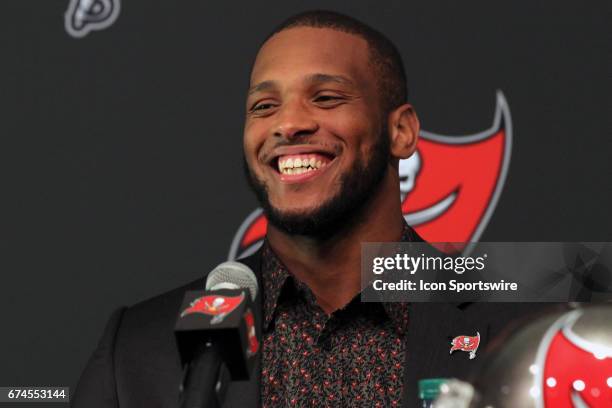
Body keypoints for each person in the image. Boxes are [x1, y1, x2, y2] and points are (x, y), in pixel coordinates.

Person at [73, 10, 560, 408]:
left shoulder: (526, 333)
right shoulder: (138, 349)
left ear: (402, 132)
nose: (288, 124)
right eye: (263, 107)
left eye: (326, 98)